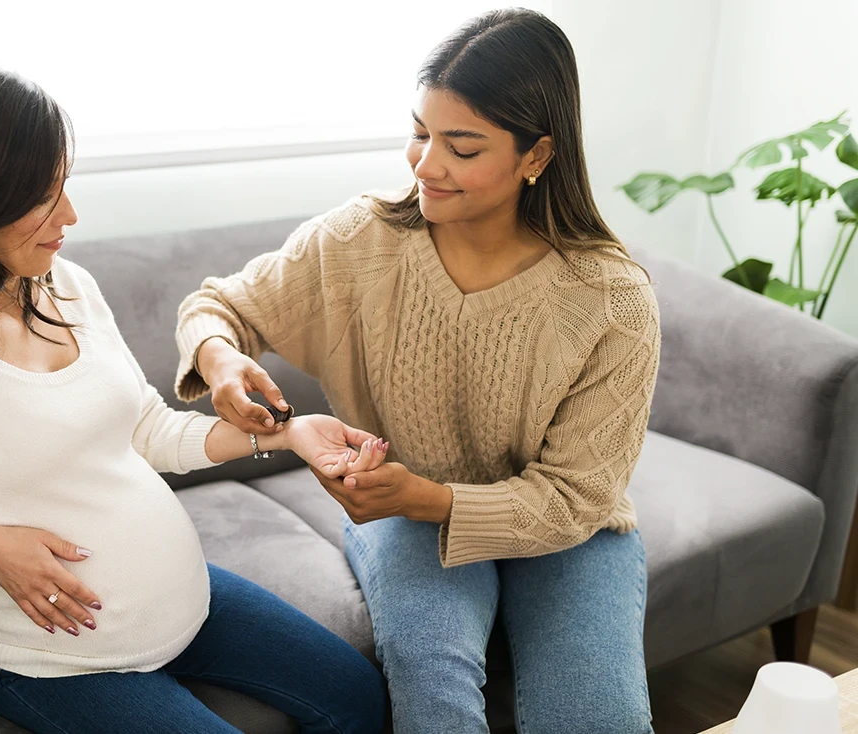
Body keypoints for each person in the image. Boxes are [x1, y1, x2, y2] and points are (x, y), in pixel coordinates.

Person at [0, 62, 386, 734]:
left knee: (360, 698)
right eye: (44, 198)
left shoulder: (66, 285)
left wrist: (286, 433)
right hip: (56, 659)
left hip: (189, 604)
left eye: (65, 187)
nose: (70, 217)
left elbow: (145, 427)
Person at [175, 9, 659, 733]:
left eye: (461, 147)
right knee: (436, 703)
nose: (426, 164)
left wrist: (440, 499)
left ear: (537, 154)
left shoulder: (612, 300)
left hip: (566, 529)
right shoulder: (361, 240)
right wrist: (220, 356)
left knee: (596, 719)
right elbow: (218, 305)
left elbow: (576, 499)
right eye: (419, 132)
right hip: (401, 513)